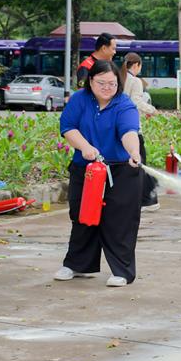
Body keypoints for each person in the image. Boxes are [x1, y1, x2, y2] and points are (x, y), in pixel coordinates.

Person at [55, 60, 142, 288]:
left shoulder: (124, 105)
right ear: (90, 81)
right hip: (86, 169)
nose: (107, 88)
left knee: (118, 221)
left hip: (120, 170)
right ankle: (77, 265)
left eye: (112, 83)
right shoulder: (79, 100)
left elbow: (128, 131)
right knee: (83, 215)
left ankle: (122, 271)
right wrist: (85, 147)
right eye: (101, 83)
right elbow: (68, 127)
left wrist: (133, 151)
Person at [121, 52, 159, 212]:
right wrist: (152, 110)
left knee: (130, 164)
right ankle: (149, 200)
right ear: (136, 65)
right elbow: (136, 101)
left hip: (120, 129)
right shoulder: (135, 81)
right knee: (141, 163)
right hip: (134, 130)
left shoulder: (119, 77)